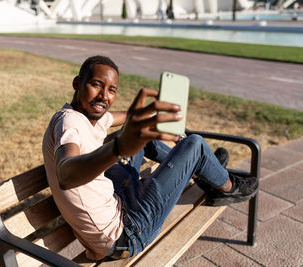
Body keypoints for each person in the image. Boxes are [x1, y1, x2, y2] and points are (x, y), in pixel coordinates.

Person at [42, 55, 258, 261]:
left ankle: (202, 171)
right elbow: (66, 173)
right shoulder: (70, 123)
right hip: (126, 233)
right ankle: (227, 188)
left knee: (143, 132)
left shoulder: (88, 116)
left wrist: (157, 116)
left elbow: (128, 118)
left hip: (117, 200)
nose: (104, 96)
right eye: (96, 85)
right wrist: (117, 148)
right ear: (77, 83)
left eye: (111, 90)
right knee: (195, 144)